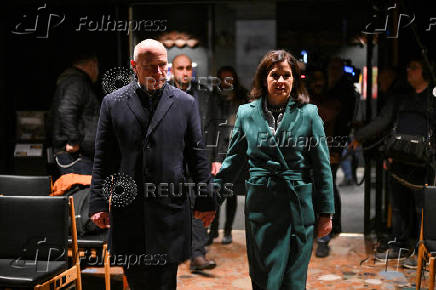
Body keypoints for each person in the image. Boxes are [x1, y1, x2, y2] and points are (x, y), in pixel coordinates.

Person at [89, 39, 216, 290]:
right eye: (150, 67)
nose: (158, 73)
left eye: (162, 66)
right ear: (134, 66)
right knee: (136, 281)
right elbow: (103, 159)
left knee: (165, 282)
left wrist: (206, 200)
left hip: (169, 210)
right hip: (129, 212)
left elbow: (197, 155)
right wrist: (98, 202)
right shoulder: (113, 103)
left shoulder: (185, 103)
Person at [214, 50, 334, 290]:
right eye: (274, 75)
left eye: (286, 75)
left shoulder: (309, 114)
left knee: (292, 281)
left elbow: (322, 168)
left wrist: (326, 212)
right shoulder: (246, 113)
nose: (280, 81)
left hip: (297, 208)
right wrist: (210, 199)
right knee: (263, 278)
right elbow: (233, 162)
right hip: (261, 209)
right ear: (263, 78)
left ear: (294, 79)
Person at [352, 58, 435, 269]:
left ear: (425, 72)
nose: (409, 70)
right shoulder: (400, 98)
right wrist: (359, 136)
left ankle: (420, 251)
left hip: (423, 165)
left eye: (414, 67)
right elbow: (382, 121)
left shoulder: (432, 100)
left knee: (421, 210)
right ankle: (398, 245)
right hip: (398, 162)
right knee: (398, 208)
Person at [170, 54, 217, 271]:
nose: (185, 72)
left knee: (200, 205)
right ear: (173, 70)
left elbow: (215, 127)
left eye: (188, 67)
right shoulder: (161, 93)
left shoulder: (205, 95)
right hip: (172, 162)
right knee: (171, 208)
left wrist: (216, 158)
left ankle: (197, 255)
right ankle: (174, 253)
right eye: (180, 68)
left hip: (199, 161)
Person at [208, 66, 249, 245]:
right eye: (223, 78)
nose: (227, 82)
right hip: (218, 149)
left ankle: (228, 230)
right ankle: (213, 229)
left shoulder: (243, 97)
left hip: (237, 150)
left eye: (230, 78)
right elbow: (211, 126)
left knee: (231, 193)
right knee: (216, 192)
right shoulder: (214, 97)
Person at [307, 67, 342, 258]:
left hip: (326, 154)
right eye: (315, 80)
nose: (317, 84)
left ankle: (323, 239)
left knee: (324, 194)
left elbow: (327, 115)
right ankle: (314, 237)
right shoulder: (305, 102)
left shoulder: (330, 101)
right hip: (305, 156)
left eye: (321, 80)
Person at [50, 50, 100, 175]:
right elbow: (66, 109)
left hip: (78, 155)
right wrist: (73, 141)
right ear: (92, 64)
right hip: (76, 156)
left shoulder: (73, 81)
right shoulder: (76, 82)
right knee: (83, 193)